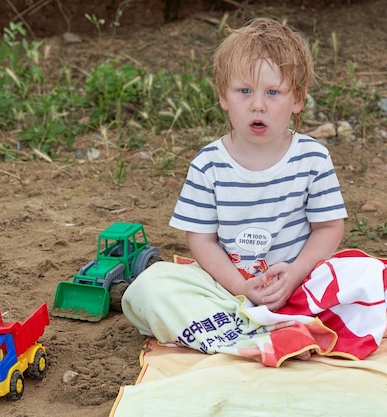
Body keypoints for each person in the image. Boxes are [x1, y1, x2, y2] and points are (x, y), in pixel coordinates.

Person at [122, 17, 348, 363]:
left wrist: (297, 271)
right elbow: (201, 240)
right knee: (148, 287)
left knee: (363, 276)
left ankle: (266, 329)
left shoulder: (312, 158)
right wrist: (241, 287)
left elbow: (329, 228)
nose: (258, 105)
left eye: (273, 92)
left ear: (298, 99)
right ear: (224, 96)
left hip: (300, 283)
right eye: (244, 91)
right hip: (228, 290)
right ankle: (260, 335)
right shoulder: (209, 163)